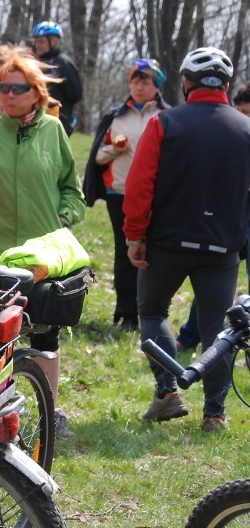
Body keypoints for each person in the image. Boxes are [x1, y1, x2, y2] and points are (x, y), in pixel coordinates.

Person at [0, 50, 86, 437]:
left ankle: (50, 413)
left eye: (17, 88)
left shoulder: (53, 132)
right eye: (1, 87)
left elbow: (72, 190)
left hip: (41, 255)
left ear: (37, 93)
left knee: (44, 333)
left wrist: (63, 218)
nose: (7, 94)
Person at [124, 47, 250, 432]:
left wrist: (135, 234)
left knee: (152, 313)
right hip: (222, 247)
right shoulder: (246, 130)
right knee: (220, 331)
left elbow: (140, 184)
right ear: (226, 85)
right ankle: (215, 414)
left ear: (185, 83)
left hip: (167, 242)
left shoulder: (165, 123)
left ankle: (167, 394)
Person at [82, 59, 168, 332]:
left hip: (157, 195)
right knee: (124, 253)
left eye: (147, 81)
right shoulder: (115, 116)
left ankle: (153, 314)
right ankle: (126, 313)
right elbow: (97, 156)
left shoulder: (167, 116)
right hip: (119, 192)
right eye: (135, 80)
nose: (140, 86)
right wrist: (115, 150)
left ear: (157, 86)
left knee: (153, 254)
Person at [175, 82, 250, 354]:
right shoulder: (233, 133)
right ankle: (190, 336)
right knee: (211, 281)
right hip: (229, 217)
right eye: (242, 112)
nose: (246, 118)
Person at [31, 21, 83, 136]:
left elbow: (75, 94)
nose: (37, 45)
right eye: (36, 41)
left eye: (41, 41)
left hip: (59, 120)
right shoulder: (36, 62)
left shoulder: (63, 63)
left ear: (54, 41)